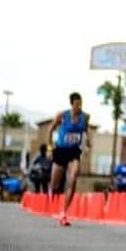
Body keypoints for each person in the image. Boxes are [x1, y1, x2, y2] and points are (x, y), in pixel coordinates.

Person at [48, 93, 89, 227]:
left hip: (74, 152)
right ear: (71, 104)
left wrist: (85, 145)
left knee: (73, 177)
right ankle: (53, 191)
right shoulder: (62, 115)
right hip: (61, 150)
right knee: (55, 183)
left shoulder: (84, 117)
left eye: (80, 104)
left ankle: (64, 212)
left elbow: (85, 132)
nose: (79, 106)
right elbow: (50, 129)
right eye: (76, 104)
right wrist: (49, 147)